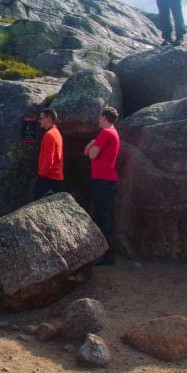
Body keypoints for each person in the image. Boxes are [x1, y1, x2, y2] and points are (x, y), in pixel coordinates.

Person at [84, 106, 121, 265]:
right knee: (104, 217)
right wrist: (93, 142)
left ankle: (108, 256)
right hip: (106, 180)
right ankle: (106, 254)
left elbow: (91, 154)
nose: (98, 119)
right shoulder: (113, 132)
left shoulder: (105, 133)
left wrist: (92, 142)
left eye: (100, 117)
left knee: (103, 218)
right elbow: (87, 153)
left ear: (105, 118)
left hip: (104, 181)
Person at [34, 108, 64, 199]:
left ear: (49, 118)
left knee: (38, 206)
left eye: (41, 118)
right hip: (55, 178)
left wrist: (41, 175)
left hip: (48, 178)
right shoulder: (56, 132)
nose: (39, 121)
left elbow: (48, 161)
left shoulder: (49, 135)